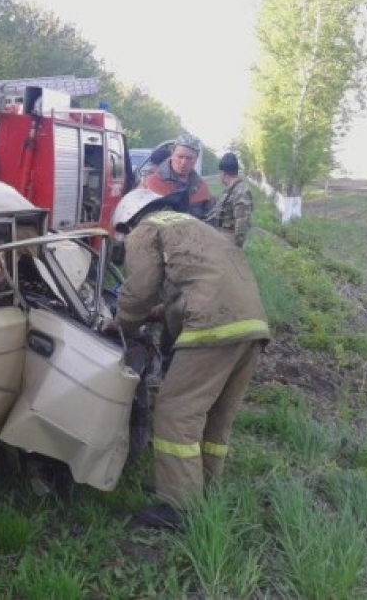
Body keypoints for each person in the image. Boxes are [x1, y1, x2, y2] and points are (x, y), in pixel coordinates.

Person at [110, 189, 270, 529]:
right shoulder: (195, 226)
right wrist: (161, 313)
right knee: (216, 415)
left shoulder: (145, 229)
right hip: (252, 325)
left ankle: (178, 506)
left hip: (213, 327)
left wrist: (122, 323)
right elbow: (193, 283)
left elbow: (139, 288)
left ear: (129, 220)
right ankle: (202, 486)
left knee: (175, 411)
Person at [144, 133, 212, 218]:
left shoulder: (201, 186)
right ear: (172, 154)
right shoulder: (153, 181)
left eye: (189, 158)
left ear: (196, 159)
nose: (183, 162)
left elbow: (209, 218)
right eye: (180, 156)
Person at [205, 152, 253, 247]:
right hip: (221, 235)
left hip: (228, 239)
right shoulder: (232, 189)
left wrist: (236, 246)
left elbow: (242, 221)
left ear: (223, 174)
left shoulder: (241, 191)